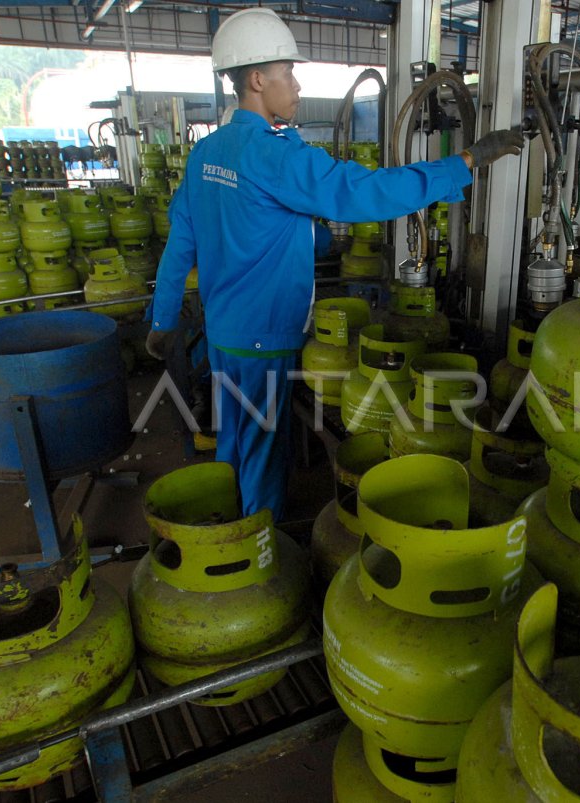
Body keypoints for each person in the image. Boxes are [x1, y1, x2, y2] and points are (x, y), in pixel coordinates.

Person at [146, 7, 524, 522]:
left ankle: (226, 514)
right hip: (265, 335)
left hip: (223, 331)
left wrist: (163, 319)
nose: (297, 86)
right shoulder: (276, 158)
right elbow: (365, 193)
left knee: (234, 438)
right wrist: (465, 163)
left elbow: (185, 240)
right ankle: (259, 550)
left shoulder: (206, 153)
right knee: (263, 450)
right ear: (258, 80)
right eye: (289, 74)